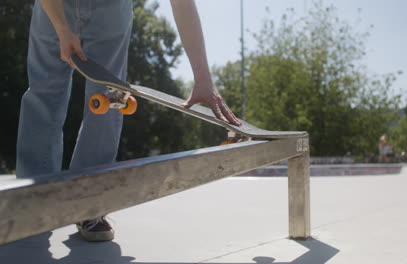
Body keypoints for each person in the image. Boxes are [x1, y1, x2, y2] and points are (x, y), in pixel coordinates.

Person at [16, 0, 240, 242]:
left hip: (112, 13)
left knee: (110, 100)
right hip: (55, 7)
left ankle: (90, 202)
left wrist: (203, 78)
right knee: (44, 96)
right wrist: (61, 28)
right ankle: (32, 200)